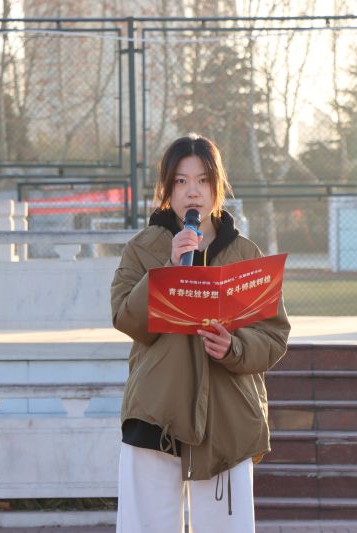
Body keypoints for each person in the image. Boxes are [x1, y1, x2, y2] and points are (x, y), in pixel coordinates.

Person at [110, 133, 291, 532]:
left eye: (203, 180)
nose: (192, 191)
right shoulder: (142, 249)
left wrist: (234, 347)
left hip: (228, 420)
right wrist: (168, 268)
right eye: (180, 181)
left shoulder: (245, 254)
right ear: (166, 189)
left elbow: (274, 335)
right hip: (155, 415)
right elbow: (125, 318)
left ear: (217, 186)